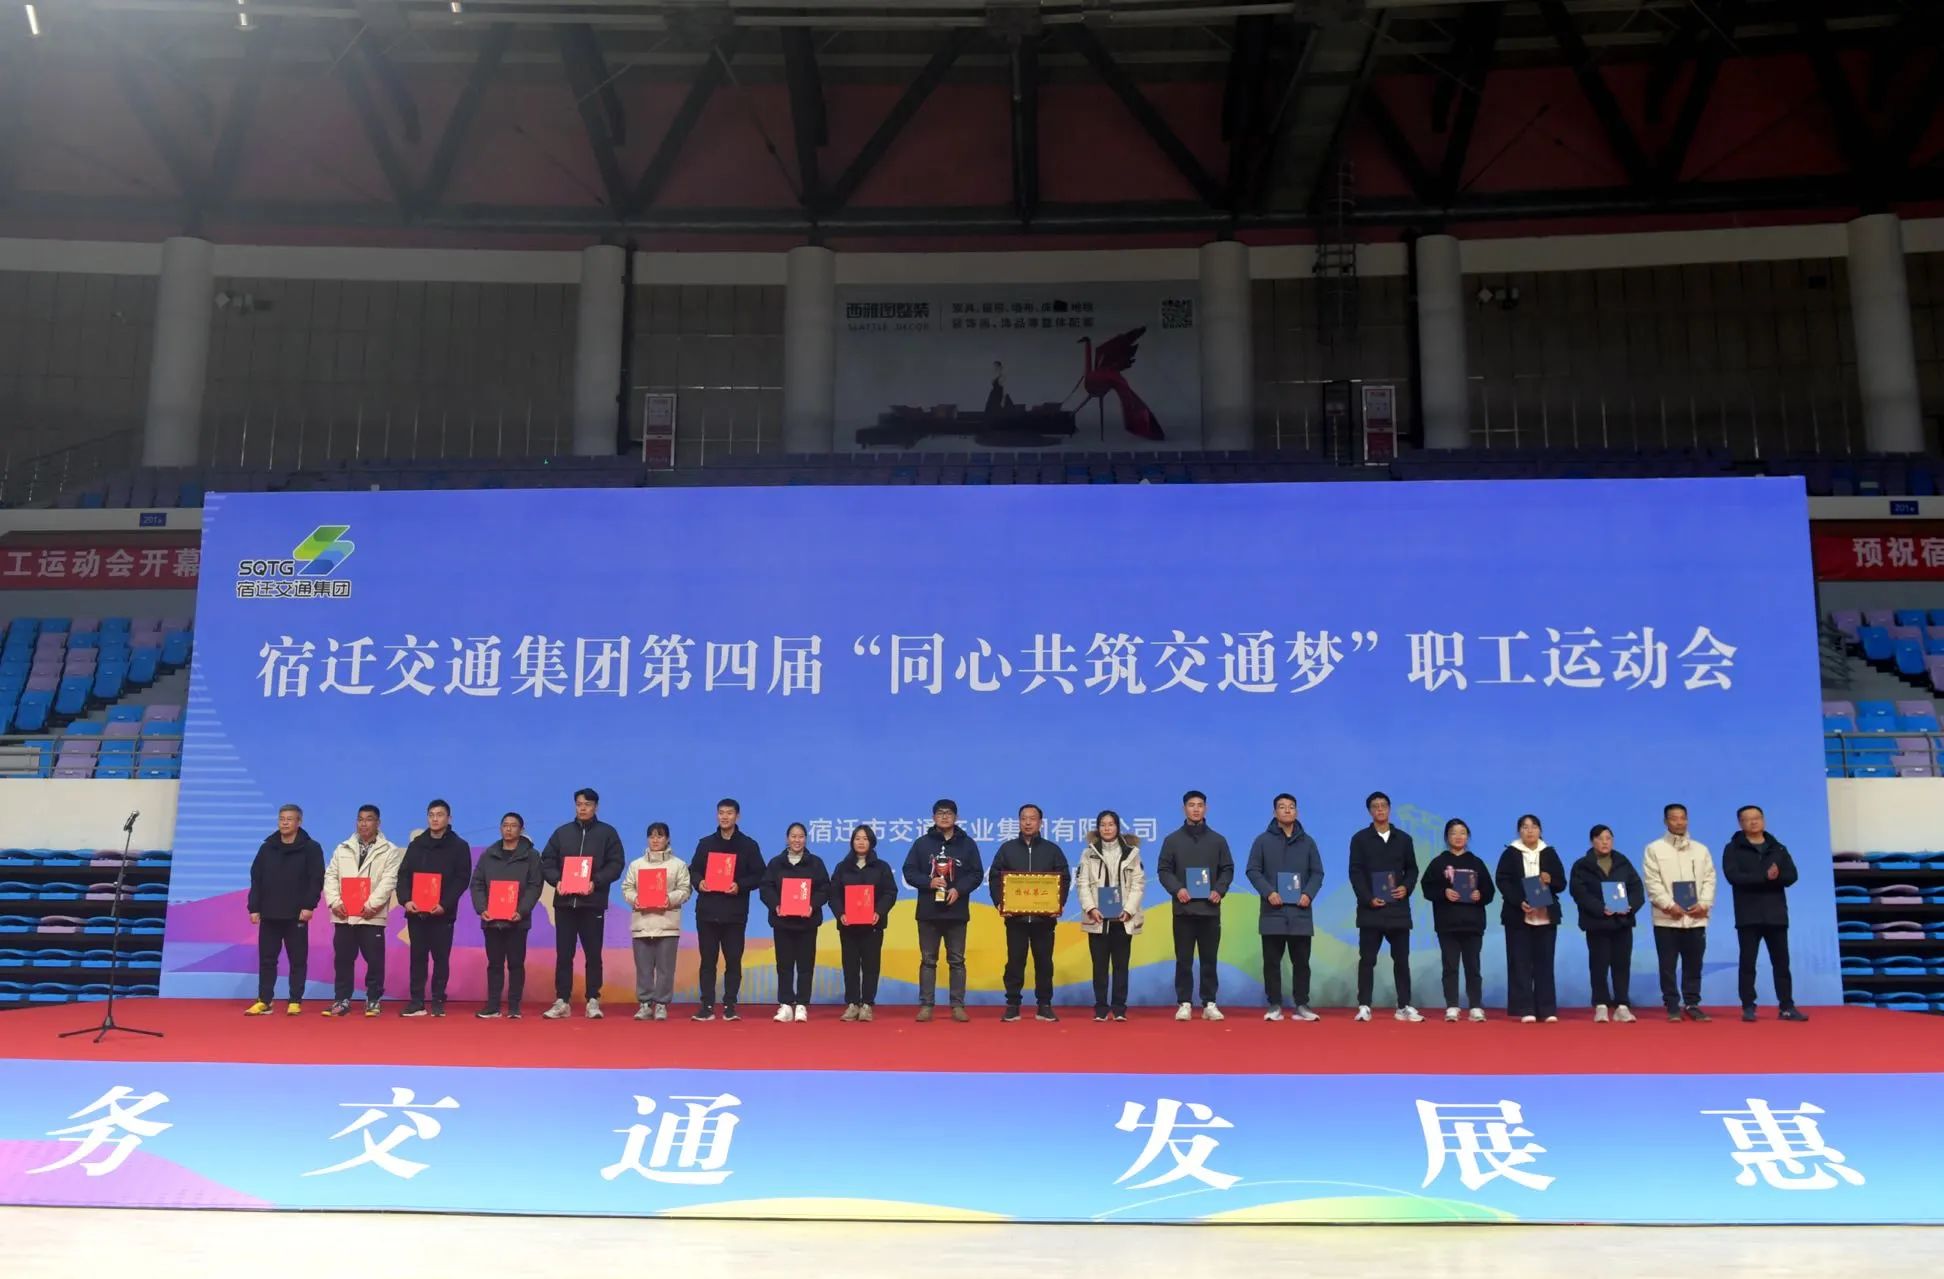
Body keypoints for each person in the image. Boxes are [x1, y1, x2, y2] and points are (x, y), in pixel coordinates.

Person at [540, 787, 626, 1021]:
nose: (583, 808)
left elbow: (616, 864)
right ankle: (562, 1000)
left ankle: (593, 1000)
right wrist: (556, 880)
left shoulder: (607, 833)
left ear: (596, 807)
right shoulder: (562, 833)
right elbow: (547, 861)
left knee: (593, 954)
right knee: (564, 954)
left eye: (587, 804)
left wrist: (595, 882)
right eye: (579, 804)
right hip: (565, 904)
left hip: (592, 903)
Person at [1722, 804, 1808, 1023]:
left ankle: (1786, 1006)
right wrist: (1764, 877)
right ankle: (1748, 1006)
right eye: (1748, 819)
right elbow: (1733, 877)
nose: (1753, 822)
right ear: (1740, 823)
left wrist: (1776, 877)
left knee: (1781, 964)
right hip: (1748, 915)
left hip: (1776, 915)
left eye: (1757, 818)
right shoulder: (1733, 849)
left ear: (1763, 820)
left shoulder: (1777, 848)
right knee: (1747, 963)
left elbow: (1792, 876)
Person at [1245, 793, 1325, 1022]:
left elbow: (1317, 873)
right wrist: (1269, 892)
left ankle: (1302, 1005)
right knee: (1272, 962)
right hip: (1273, 912)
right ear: (1275, 812)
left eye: (1291, 807)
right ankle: (1274, 1005)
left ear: (1296, 812)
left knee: (1302, 962)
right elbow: (1252, 870)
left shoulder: (1308, 842)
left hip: (1300, 912)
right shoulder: (1262, 841)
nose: (1287, 810)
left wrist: (1308, 894)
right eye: (1282, 807)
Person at [902, 798, 984, 1022]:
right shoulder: (922, 844)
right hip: (928, 911)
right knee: (928, 960)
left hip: (956, 911)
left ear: (956, 817)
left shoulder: (967, 844)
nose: (945, 816)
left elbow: (977, 873)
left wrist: (959, 889)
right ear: (933, 817)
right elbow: (909, 870)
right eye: (940, 813)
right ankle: (926, 1005)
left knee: (957, 960)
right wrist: (928, 882)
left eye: (949, 813)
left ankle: (957, 1005)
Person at [989, 804, 1071, 1022]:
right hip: (1015, 919)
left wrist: (1058, 903)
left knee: (1044, 963)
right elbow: (995, 877)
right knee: (1015, 962)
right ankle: (1012, 1005)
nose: (1027, 822)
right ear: (1019, 821)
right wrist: (1000, 903)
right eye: (1024, 818)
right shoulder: (1007, 849)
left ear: (1040, 823)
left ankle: (1044, 1005)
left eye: (1032, 818)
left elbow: (1064, 878)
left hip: (1044, 919)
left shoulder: (1052, 850)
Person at [1156, 789, 1234, 1021]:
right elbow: (1164, 870)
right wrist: (1177, 889)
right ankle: (1185, 1003)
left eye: (1200, 805)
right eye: (1192, 805)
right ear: (1184, 809)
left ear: (1206, 809)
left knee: (1209, 959)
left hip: (1210, 910)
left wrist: (1219, 890)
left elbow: (1227, 869)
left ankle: (1209, 1003)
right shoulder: (1172, 840)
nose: (1196, 809)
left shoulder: (1218, 840)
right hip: (1184, 910)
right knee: (1184, 959)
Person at [322, 804, 401, 1018]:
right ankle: (342, 999)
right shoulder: (343, 848)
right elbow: (330, 876)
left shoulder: (390, 850)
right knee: (343, 960)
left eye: (369, 819)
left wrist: (371, 905)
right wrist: (334, 902)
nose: (363, 823)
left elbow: (389, 881)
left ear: (378, 823)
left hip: (371, 915)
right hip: (344, 914)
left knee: (374, 961)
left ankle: (373, 999)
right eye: (360, 819)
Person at [689, 798, 765, 1022]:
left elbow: (760, 875)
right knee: (707, 961)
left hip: (734, 913)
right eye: (721, 812)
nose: (724, 817)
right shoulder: (705, 844)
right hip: (707, 912)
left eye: (729, 813)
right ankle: (706, 1005)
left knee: (733, 960)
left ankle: (730, 1005)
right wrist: (699, 882)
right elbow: (693, 870)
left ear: (737, 816)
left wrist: (740, 885)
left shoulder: (748, 845)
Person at [1348, 791, 1421, 1023]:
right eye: (1375, 806)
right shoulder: (1360, 839)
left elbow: (1412, 869)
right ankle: (1364, 1006)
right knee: (1367, 960)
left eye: (1383, 805)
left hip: (1398, 909)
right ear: (1370, 811)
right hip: (1371, 909)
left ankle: (1404, 1006)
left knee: (1402, 960)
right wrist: (1368, 898)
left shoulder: (1404, 839)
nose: (1380, 809)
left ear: (1389, 809)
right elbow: (1355, 873)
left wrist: (1406, 887)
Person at [245, 803, 324, 1015]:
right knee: (267, 959)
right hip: (269, 913)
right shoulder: (267, 848)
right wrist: (254, 907)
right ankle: (265, 1000)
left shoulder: (311, 848)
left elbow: (316, 879)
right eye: (282, 819)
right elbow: (256, 878)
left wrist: (309, 905)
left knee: (297, 960)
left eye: (289, 819)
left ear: (299, 822)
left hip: (296, 914)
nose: (285, 823)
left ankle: (295, 1000)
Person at [398, 798, 472, 1018]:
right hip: (416, 912)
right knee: (417, 958)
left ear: (449, 818)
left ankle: (438, 999)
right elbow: (403, 875)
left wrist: (444, 904)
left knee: (441, 958)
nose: (435, 819)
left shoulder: (459, 846)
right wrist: (406, 900)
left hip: (442, 913)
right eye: (431, 815)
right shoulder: (416, 845)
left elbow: (462, 879)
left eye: (439, 815)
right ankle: (417, 1001)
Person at [1643, 802, 1717, 1022]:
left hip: (1696, 917)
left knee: (1694, 963)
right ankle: (1672, 1005)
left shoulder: (1701, 849)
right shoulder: (1654, 849)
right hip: (1667, 919)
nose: (1679, 822)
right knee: (1667, 965)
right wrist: (1668, 905)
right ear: (1665, 821)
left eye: (1683, 818)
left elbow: (1710, 879)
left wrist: (1704, 903)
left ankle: (1692, 1003)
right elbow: (1652, 882)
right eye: (1674, 818)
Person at [1568, 823, 1645, 1023]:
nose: (1605, 842)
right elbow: (1579, 892)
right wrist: (1600, 908)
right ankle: (1601, 1004)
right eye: (1600, 838)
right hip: (1597, 923)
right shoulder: (1582, 865)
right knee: (1599, 964)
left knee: (1622, 964)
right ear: (1592, 841)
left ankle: (1622, 1005)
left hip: (1622, 922)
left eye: (1608, 838)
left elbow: (1637, 888)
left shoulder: (1622, 862)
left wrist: (1631, 906)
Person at [471, 811, 545, 1019]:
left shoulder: (531, 856)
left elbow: (535, 885)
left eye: (513, 825)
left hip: (517, 920)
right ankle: (493, 1006)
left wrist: (521, 911)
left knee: (515, 964)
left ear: (521, 830)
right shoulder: (489, 854)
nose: (509, 829)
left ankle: (514, 1006)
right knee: (494, 964)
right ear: (500, 828)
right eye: (505, 825)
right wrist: (482, 908)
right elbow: (477, 883)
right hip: (492, 919)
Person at [1421, 817, 1495, 1023]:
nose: (1458, 836)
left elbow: (1489, 891)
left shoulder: (1476, 863)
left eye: (1462, 832)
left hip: (1473, 924)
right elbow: (1427, 888)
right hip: (1447, 924)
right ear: (1447, 837)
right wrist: (1443, 892)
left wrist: (1480, 895)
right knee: (1450, 966)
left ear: (1468, 836)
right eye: (1453, 833)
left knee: (1473, 967)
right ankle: (1452, 1006)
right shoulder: (1438, 862)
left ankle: (1475, 1006)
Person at [1495, 813, 1566, 1023]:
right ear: (1519, 831)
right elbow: (1503, 881)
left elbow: (1561, 883)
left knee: (1545, 962)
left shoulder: (1549, 852)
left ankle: (1546, 1008)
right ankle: (1525, 1008)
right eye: (1525, 827)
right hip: (1518, 915)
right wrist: (1519, 901)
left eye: (1534, 826)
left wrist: (1550, 879)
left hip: (1546, 915)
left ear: (1540, 830)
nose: (1530, 831)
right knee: (1520, 962)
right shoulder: (1510, 853)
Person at [1077, 810, 1146, 1022]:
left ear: (1117, 827)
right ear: (1098, 828)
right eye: (1103, 824)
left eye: (1111, 824)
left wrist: (1129, 909)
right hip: (1097, 918)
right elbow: (1082, 884)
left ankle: (1119, 1008)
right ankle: (1100, 1008)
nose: (1107, 828)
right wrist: (1091, 908)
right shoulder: (1088, 853)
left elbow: (1138, 884)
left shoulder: (1132, 853)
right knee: (1099, 967)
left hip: (1123, 918)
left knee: (1120, 966)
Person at [760, 822, 831, 1022]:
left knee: (805, 965)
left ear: (805, 839)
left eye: (800, 836)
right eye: (793, 836)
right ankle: (785, 1005)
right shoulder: (776, 863)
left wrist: (812, 906)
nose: (797, 840)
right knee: (784, 965)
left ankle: (801, 1005)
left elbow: (825, 888)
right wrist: (776, 905)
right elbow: (766, 888)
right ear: (787, 839)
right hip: (782, 922)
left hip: (807, 923)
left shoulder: (815, 863)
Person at [622, 821, 692, 1022]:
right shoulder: (636, 865)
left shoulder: (678, 865)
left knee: (665, 969)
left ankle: (661, 1004)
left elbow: (685, 889)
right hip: (642, 923)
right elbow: (627, 888)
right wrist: (636, 899)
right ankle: (645, 1004)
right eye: (651, 836)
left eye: (660, 836)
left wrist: (668, 899)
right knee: (643, 968)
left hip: (667, 924)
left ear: (667, 839)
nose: (655, 840)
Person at [829, 824, 898, 1021]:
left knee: (871, 966)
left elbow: (890, 892)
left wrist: (879, 912)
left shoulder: (881, 867)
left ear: (871, 842)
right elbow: (833, 894)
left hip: (873, 926)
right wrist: (840, 913)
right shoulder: (842, 867)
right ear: (852, 842)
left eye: (865, 839)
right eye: (857, 838)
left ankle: (867, 1004)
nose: (861, 842)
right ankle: (852, 1004)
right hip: (848, 925)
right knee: (850, 965)